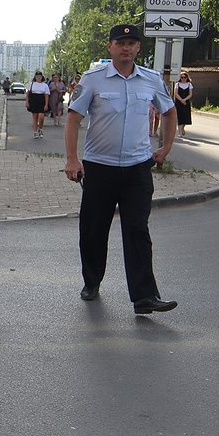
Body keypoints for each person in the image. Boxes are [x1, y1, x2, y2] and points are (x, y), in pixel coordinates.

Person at [64, 23, 178, 315]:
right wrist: (72, 159)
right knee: (94, 229)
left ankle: (144, 297)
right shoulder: (92, 79)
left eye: (131, 43)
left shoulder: (151, 80)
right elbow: (73, 119)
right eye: (120, 43)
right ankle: (92, 282)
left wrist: (165, 148)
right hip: (99, 168)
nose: (126, 48)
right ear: (110, 46)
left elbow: (169, 111)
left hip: (137, 168)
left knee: (138, 230)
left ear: (138, 47)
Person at [26, 71, 51, 138]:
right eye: (37, 76)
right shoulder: (31, 84)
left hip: (41, 101)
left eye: (40, 76)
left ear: (42, 77)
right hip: (34, 101)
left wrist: (46, 104)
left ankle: (40, 128)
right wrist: (27, 102)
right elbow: (28, 94)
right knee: (35, 118)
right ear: (35, 77)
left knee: (41, 117)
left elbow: (46, 95)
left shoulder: (45, 85)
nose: (38, 78)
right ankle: (35, 132)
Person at [173, 71, 193, 139]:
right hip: (178, 102)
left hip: (186, 102)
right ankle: (180, 133)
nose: (183, 79)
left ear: (187, 78)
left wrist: (185, 100)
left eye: (185, 77)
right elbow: (176, 93)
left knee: (185, 116)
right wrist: (181, 100)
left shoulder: (189, 84)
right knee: (179, 116)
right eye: (182, 77)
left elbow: (190, 94)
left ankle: (182, 128)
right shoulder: (177, 84)